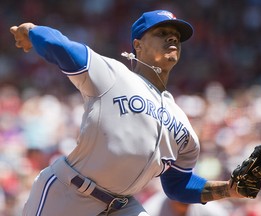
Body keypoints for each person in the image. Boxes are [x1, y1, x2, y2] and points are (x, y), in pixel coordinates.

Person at [10, 9, 244, 216]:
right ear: (138, 45)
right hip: (69, 193)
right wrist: (32, 31)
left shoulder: (182, 122)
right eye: (161, 33)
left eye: (176, 36)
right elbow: (61, 47)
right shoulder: (114, 75)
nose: (172, 37)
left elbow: (177, 186)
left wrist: (229, 189)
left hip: (122, 206)